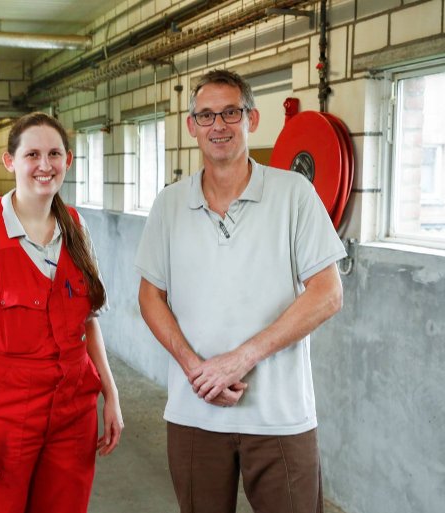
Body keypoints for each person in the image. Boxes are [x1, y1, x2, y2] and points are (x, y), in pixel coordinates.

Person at [135, 69, 346, 513]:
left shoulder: (294, 194)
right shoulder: (170, 204)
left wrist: (242, 357)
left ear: (251, 119)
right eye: (206, 115)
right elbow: (149, 296)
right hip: (195, 412)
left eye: (230, 112)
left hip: (279, 416)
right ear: (191, 126)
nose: (218, 125)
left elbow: (327, 293)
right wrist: (197, 369)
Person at [0, 112, 123, 513]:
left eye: (54, 154)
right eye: (32, 154)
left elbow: (88, 324)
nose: (44, 165)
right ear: (9, 161)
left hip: (72, 418)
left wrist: (111, 392)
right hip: (1, 420)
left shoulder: (76, 228)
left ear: (68, 161)